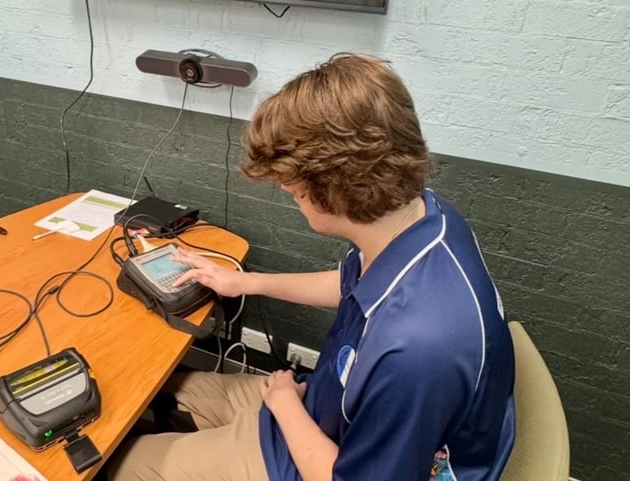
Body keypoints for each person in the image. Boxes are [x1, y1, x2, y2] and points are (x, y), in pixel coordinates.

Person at [107, 53, 515, 481]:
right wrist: (243, 281)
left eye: (294, 191)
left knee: (124, 464)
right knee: (150, 395)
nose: (289, 194)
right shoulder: (423, 217)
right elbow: (351, 284)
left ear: (336, 192)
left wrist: (284, 404)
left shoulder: (415, 351)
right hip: (321, 409)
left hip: (316, 455)